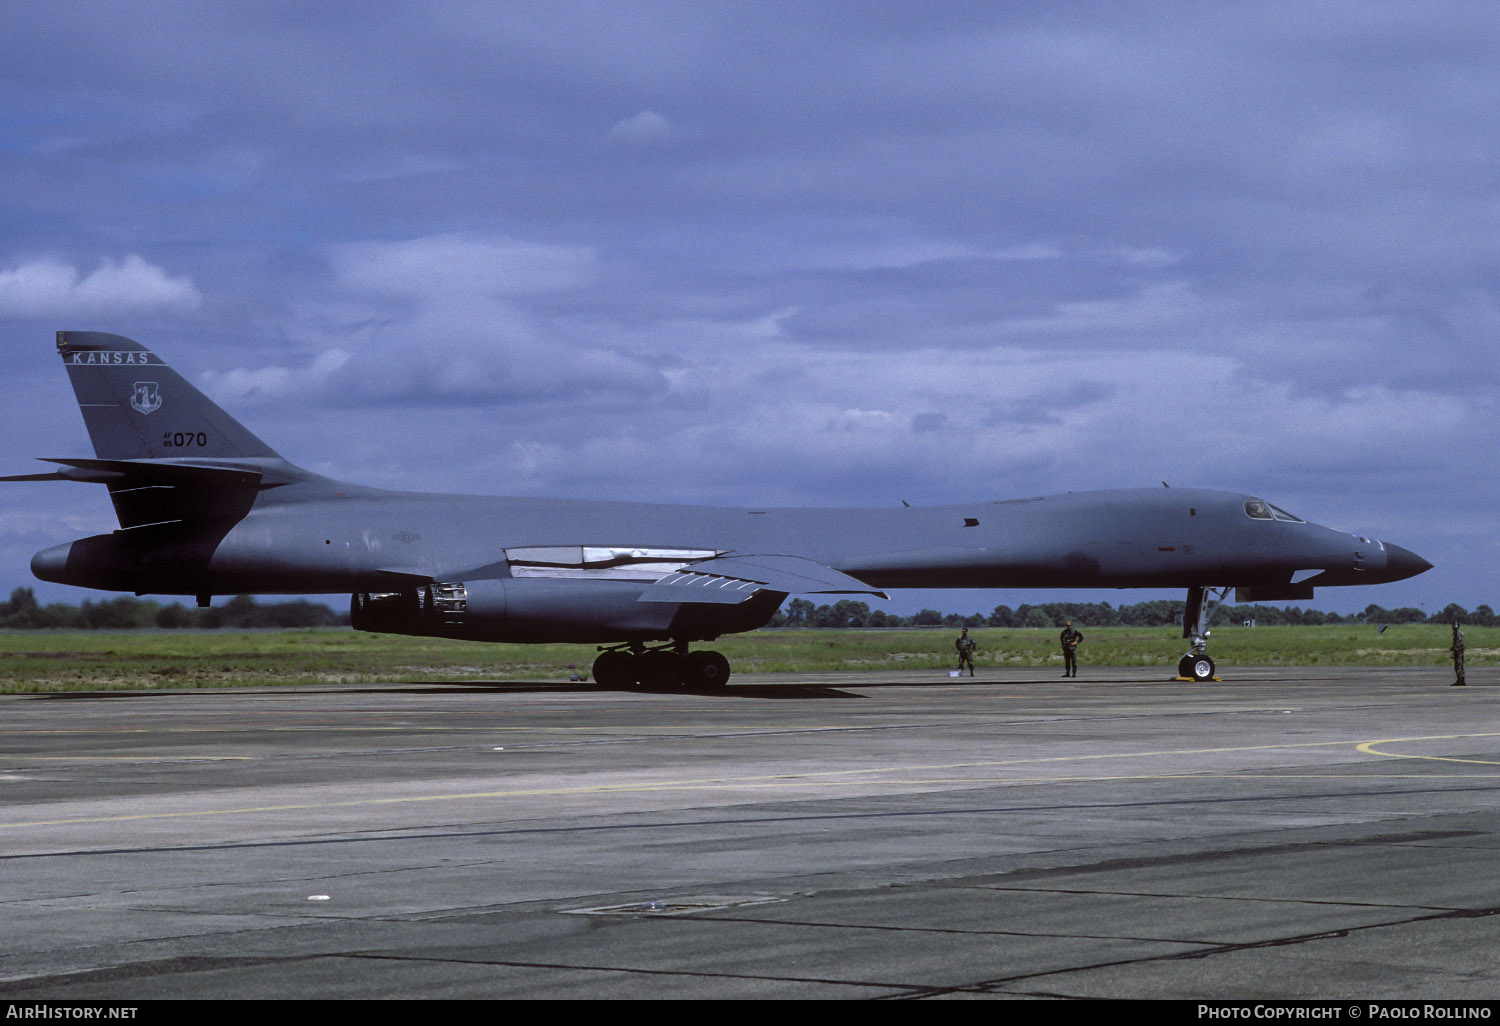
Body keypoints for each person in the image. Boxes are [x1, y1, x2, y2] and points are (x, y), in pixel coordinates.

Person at [1451, 620, 1466, 687]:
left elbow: (1459, 643)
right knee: (1459, 666)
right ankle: (1461, 680)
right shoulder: (1456, 633)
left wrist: (1455, 649)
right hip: (1459, 651)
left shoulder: (1457, 633)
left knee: (1458, 666)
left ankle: (1460, 681)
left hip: (1459, 652)